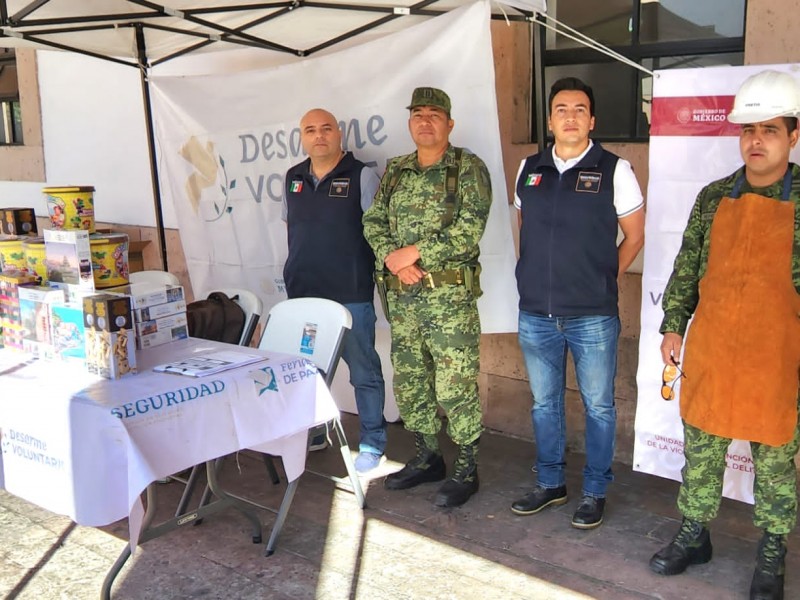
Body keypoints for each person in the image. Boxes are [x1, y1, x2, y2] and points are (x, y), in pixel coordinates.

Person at [649, 69, 800, 600]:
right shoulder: (714, 197)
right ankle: (694, 536)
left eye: (770, 130)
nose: (756, 141)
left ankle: (772, 555)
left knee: (776, 464)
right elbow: (687, 267)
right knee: (703, 452)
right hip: (713, 349)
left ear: (794, 135)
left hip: (776, 357)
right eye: (748, 130)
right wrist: (673, 323)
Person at [510, 77, 645, 529]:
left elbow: (635, 235)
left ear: (593, 120)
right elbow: (525, 226)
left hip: (592, 316)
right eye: (561, 109)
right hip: (536, 314)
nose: (570, 116)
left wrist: (604, 275)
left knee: (599, 406)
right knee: (544, 404)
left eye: (580, 109)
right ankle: (550, 484)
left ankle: (594, 491)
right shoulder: (529, 168)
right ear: (550, 120)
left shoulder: (614, 169)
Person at [362, 87, 491, 507]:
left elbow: (470, 226)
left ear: (449, 123)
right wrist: (392, 259)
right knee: (412, 381)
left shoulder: (467, 168)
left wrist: (414, 253)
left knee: (454, 385)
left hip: (449, 300)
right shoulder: (398, 169)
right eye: (417, 114)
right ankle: (427, 457)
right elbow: (373, 221)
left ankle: (467, 468)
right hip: (403, 300)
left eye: (434, 114)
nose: (425, 121)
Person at [283, 108, 387, 474]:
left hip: (350, 294)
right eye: (310, 129)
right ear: (302, 137)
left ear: (339, 134)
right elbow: (293, 230)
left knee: (363, 370)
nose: (319, 135)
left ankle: (373, 441)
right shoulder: (293, 178)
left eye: (326, 128)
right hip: (304, 296)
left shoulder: (362, 176)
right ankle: (314, 432)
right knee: (308, 370)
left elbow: (379, 233)